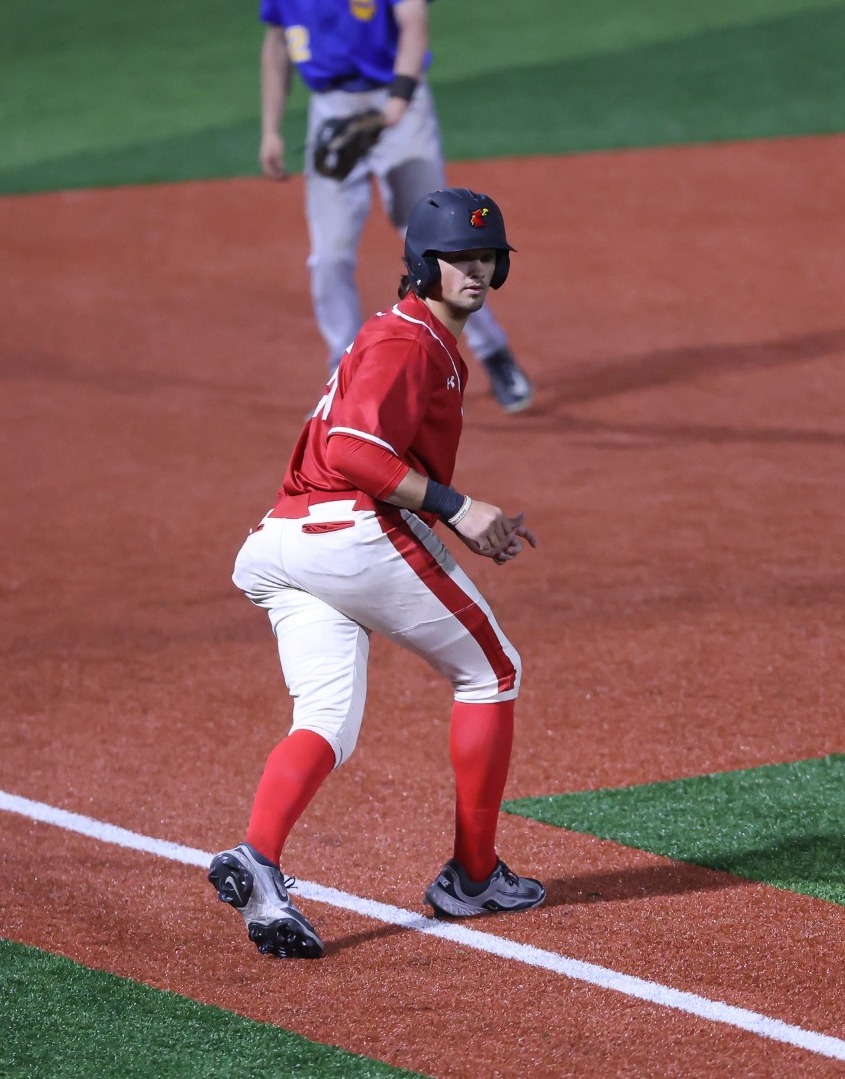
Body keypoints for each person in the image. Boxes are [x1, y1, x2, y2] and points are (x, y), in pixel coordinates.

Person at [209, 188, 545, 959]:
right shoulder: (406, 342)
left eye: (486, 257)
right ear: (424, 265)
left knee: (327, 719)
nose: (476, 269)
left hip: (284, 543)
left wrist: (460, 517)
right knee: (492, 670)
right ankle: (473, 875)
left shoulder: (407, 337)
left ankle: (257, 862)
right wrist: (458, 507)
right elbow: (352, 456)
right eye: (459, 257)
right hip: (345, 531)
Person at [257, 0, 536, 414]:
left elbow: (413, 21)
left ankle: (493, 351)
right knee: (328, 257)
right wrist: (271, 130)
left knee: (445, 244)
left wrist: (398, 104)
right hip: (331, 112)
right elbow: (277, 42)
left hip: (398, 102)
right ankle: (345, 377)